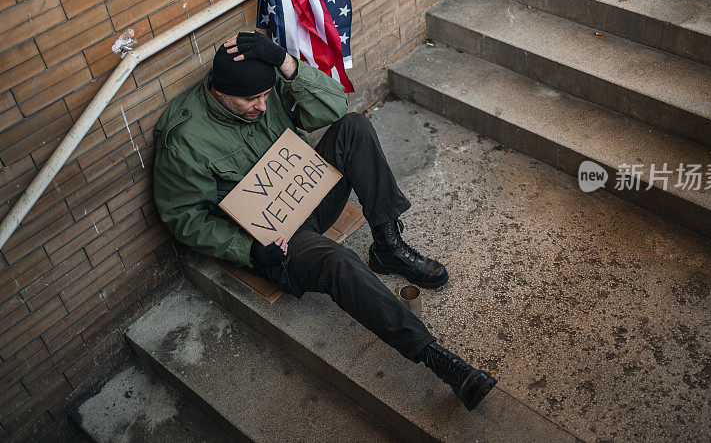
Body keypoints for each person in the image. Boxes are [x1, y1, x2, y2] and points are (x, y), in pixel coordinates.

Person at [152, 31, 497, 410]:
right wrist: (248, 250)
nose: (262, 107)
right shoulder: (184, 137)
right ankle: (437, 359)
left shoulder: (267, 87)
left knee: (354, 127)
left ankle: (388, 246)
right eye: (251, 100)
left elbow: (334, 106)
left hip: (306, 195)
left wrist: (286, 62)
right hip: (274, 240)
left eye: (266, 96)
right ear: (219, 92)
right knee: (336, 260)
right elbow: (184, 218)